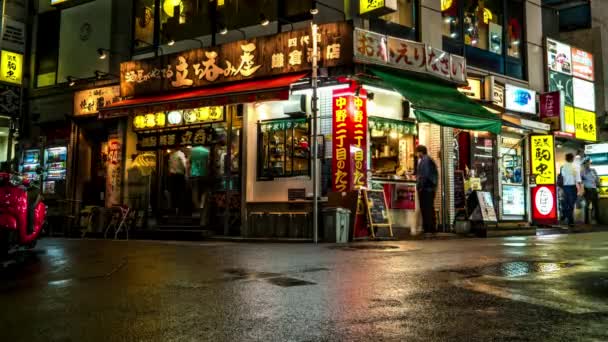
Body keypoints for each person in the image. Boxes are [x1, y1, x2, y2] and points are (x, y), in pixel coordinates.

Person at [416, 145, 438, 235]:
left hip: (426, 189)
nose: (416, 154)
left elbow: (424, 176)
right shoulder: (429, 159)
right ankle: (432, 228)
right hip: (430, 188)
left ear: (420, 152)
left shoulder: (425, 161)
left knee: (426, 208)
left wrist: (420, 187)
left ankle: (428, 228)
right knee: (429, 208)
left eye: (417, 152)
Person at [560, 153, 582, 226]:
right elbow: (578, 179)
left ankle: (566, 216)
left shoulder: (563, 167)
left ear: (566, 159)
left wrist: (561, 188)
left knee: (566, 203)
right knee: (571, 204)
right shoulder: (575, 167)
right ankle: (570, 220)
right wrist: (580, 188)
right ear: (572, 159)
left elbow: (562, 177)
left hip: (565, 187)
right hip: (572, 187)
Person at [169, 147, 188, 214]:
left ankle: (174, 209)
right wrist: (187, 172)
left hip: (172, 176)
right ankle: (181, 209)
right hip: (180, 176)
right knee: (181, 192)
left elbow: (170, 166)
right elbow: (184, 165)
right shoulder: (180, 154)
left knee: (174, 193)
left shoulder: (171, 155)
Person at [581, 157, 600, 224]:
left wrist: (598, 183)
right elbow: (580, 181)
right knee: (587, 205)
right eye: (587, 162)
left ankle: (597, 219)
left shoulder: (593, 170)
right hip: (587, 190)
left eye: (589, 162)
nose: (589, 163)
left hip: (594, 189)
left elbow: (597, 179)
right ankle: (586, 220)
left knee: (596, 205)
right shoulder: (583, 172)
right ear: (584, 164)